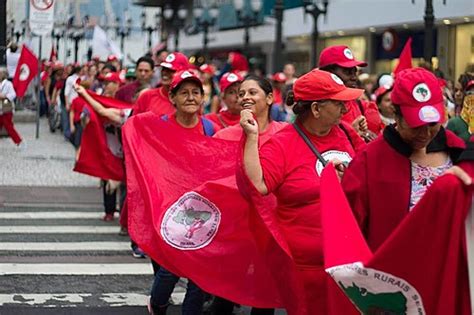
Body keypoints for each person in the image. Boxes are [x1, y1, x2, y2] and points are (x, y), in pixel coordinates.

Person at [240, 69, 366, 315]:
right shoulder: (283, 143)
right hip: (307, 269)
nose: (346, 107)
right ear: (316, 109)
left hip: (351, 261)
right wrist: (252, 137)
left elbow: (368, 172)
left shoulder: (347, 133)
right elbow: (259, 185)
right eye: (339, 102)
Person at [342, 67, 470, 252]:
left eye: (432, 124)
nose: (425, 134)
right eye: (416, 126)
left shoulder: (459, 151)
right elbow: (348, 231)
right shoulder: (368, 163)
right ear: (396, 114)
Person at [211, 75, 288, 315]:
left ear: (269, 98)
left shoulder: (286, 134)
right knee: (225, 293)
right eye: (241, 93)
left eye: (252, 93)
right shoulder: (224, 137)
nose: (245, 97)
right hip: (234, 229)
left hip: (271, 228)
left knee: (265, 296)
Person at [148, 70, 218, 315]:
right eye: (184, 92)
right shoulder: (160, 127)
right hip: (169, 208)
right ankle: (157, 303)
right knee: (171, 267)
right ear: (172, 97)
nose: (191, 97)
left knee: (200, 271)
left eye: (195, 92)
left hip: (202, 208)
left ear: (202, 98)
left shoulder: (211, 128)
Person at [74, 72, 124, 222]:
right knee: (106, 176)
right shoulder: (96, 98)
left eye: (109, 82)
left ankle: (124, 212)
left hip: (121, 143)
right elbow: (87, 117)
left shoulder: (123, 100)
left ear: (117, 84)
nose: (106, 85)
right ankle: (109, 210)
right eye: (105, 82)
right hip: (106, 143)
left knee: (124, 181)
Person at [318, 45, 383, 141]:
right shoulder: (314, 110)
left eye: (354, 72)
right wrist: (351, 133)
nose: (354, 77)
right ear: (328, 73)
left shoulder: (364, 108)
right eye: (347, 72)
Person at [134, 52, 189, 116]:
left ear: (183, 73)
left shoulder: (191, 101)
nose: (164, 72)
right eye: (163, 69)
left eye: (171, 70)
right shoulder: (147, 96)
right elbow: (132, 124)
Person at [0, 67, 22, 146]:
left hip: (6, 108)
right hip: (1, 108)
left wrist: (4, 97)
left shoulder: (8, 84)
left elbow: (13, 95)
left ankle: (18, 141)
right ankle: (18, 141)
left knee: (8, 126)